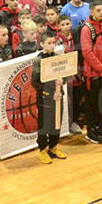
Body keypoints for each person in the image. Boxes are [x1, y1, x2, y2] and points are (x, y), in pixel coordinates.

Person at [79, 3, 102, 144]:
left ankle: (100, 127)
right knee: (91, 102)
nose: (101, 13)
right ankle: (91, 130)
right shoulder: (87, 29)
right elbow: (87, 53)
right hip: (93, 74)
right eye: (98, 10)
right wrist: (101, 69)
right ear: (91, 12)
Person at [32, 31, 68, 164]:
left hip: (58, 97)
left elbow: (65, 75)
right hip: (45, 98)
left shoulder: (57, 57)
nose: (52, 45)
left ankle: (53, 147)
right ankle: (42, 150)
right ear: (42, 44)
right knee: (44, 125)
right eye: (49, 43)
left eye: (54, 43)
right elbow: (35, 82)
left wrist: (62, 81)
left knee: (56, 123)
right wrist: (50, 93)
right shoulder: (39, 60)